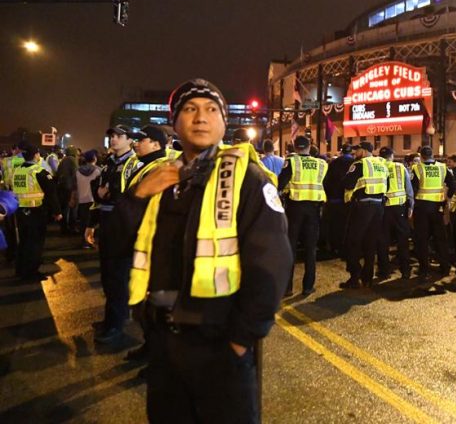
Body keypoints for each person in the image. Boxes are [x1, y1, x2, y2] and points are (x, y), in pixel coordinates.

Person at [115, 78, 292, 422]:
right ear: (175, 123)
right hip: (164, 342)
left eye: (212, 110)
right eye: (190, 109)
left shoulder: (247, 178)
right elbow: (115, 245)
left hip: (221, 344)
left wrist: (241, 340)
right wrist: (136, 198)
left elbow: (272, 264)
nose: (201, 118)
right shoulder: (160, 179)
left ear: (224, 123)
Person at [86, 124, 137, 344]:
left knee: (118, 277)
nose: (114, 140)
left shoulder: (133, 164)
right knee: (107, 275)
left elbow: (128, 196)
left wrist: (106, 193)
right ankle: (110, 319)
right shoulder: (109, 162)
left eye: (119, 136)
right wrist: (91, 223)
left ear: (129, 140)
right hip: (107, 223)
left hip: (122, 226)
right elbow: (97, 191)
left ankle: (117, 324)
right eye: (112, 136)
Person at [278, 135, 328, 296]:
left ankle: (287, 288)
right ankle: (308, 286)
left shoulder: (292, 162)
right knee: (310, 249)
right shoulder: (321, 164)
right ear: (309, 146)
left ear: (294, 146)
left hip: (294, 208)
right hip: (314, 210)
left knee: (290, 248)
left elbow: (280, 184)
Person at [341, 141, 389, 288]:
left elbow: (347, 183)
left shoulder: (360, 164)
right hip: (378, 206)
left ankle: (354, 277)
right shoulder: (381, 164)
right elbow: (387, 182)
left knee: (353, 241)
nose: (355, 153)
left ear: (364, 150)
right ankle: (368, 277)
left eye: (358, 150)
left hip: (363, 206)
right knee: (370, 242)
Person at [11, 143, 62, 281]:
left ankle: (20, 269)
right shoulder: (38, 171)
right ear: (36, 155)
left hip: (20, 211)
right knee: (35, 243)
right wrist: (57, 212)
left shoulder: (18, 171)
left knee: (23, 242)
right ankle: (31, 272)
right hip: (36, 212)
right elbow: (51, 194)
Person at [411, 145, 455, 277]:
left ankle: (424, 270)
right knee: (440, 238)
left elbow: (413, 189)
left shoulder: (417, 168)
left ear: (421, 156)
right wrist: (447, 198)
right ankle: (445, 267)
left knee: (422, 239)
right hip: (438, 207)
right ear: (433, 155)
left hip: (422, 208)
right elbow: (452, 184)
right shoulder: (442, 167)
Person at [377, 146, 414, 279]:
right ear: (391, 155)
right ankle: (405, 271)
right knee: (402, 241)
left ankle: (384, 271)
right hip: (399, 208)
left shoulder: (376, 167)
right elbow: (409, 190)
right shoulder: (400, 167)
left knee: (383, 241)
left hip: (382, 209)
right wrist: (411, 207)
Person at [322, 143, 354, 258]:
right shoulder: (355, 163)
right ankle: (344, 248)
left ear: (341, 151)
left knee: (334, 225)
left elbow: (326, 181)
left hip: (334, 200)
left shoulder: (333, 163)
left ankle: (334, 247)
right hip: (349, 200)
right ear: (351, 152)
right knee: (347, 225)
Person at [76, 150, 101, 248]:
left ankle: (84, 242)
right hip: (94, 200)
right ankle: (91, 241)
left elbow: (75, 187)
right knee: (93, 223)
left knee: (83, 222)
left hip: (82, 200)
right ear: (95, 158)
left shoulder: (78, 171)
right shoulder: (99, 170)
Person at [55, 145, 79, 234]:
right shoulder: (73, 160)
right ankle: (72, 227)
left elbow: (57, 173)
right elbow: (76, 174)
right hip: (70, 188)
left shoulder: (63, 161)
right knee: (73, 207)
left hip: (61, 187)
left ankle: (63, 227)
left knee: (64, 208)